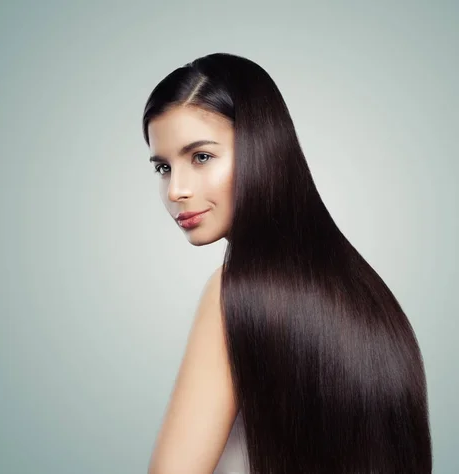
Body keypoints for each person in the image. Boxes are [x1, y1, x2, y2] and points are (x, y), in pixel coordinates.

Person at [143, 53, 432, 474]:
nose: (176, 190)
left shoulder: (232, 293)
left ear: (262, 147)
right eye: (164, 167)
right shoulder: (367, 293)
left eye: (201, 156)